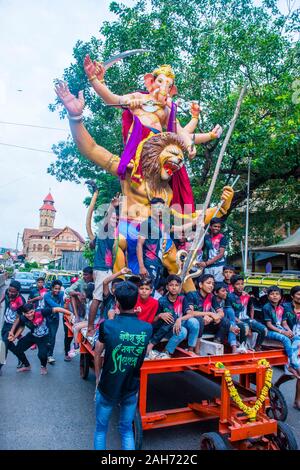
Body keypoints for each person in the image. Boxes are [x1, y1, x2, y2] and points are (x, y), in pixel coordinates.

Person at [93, 281, 152, 450]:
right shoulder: (146, 328)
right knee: (126, 430)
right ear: (136, 301)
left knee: (101, 430)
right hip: (131, 387)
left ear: (117, 302)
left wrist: (98, 379)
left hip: (107, 386)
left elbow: (98, 352)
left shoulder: (108, 325)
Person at [87, 196, 119, 337]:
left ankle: (101, 322)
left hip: (106, 268)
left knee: (106, 296)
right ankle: (89, 327)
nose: (114, 220)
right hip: (101, 268)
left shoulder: (110, 233)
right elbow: (106, 220)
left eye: (116, 219)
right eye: (113, 218)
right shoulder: (104, 230)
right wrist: (112, 206)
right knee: (97, 297)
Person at [146, 275, 200, 359]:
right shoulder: (162, 301)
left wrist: (179, 319)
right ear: (167, 287)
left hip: (179, 324)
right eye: (171, 285)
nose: (174, 288)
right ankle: (166, 351)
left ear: (179, 287)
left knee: (194, 321)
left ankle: (190, 349)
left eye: (176, 285)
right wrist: (160, 315)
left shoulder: (182, 298)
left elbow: (191, 314)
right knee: (182, 330)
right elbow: (153, 320)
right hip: (166, 329)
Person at [9, 303, 71, 375]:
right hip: (32, 335)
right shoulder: (23, 318)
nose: (29, 315)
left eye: (31, 312)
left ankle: (43, 366)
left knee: (42, 354)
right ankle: (27, 366)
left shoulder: (41, 312)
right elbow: (21, 327)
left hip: (44, 337)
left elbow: (57, 309)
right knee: (18, 349)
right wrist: (14, 336)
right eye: (27, 313)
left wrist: (70, 314)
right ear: (23, 313)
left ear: (34, 310)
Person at [184, 274, 230, 355]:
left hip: (207, 323)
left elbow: (221, 313)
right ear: (201, 285)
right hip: (192, 325)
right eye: (208, 283)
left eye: (213, 284)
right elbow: (190, 313)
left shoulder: (211, 297)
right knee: (199, 320)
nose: (211, 286)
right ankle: (196, 350)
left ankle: (216, 343)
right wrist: (210, 313)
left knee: (225, 321)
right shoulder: (192, 295)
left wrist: (212, 318)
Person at [262, 286, 300, 379]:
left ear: (280, 297)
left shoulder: (281, 307)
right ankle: (292, 363)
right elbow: (269, 325)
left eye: (277, 294)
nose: (274, 296)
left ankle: (292, 361)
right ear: (268, 296)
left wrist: (289, 331)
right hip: (270, 331)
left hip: (280, 329)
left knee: (296, 338)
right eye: (272, 294)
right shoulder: (266, 307)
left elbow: (284, 322)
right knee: (286, 339)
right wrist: (282, 332)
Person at [227, 275, 267, 352]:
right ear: (232, 285)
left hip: (246, 319)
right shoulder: (229, 297)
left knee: (264, 329)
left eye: (242, 284)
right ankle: (242, 346)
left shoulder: (247, 296)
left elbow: (251, 307)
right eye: (237, 284)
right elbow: (229, 313)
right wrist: (241, 322)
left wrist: (252, 319)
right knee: (245, 327)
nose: (240, 286)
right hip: (235, 320)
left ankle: (257, 347)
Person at [64, 266, 94, 361]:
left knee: (76, 327)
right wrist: (78, 294)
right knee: (73, 295)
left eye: (86, 275)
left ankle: (76, 347)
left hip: (92, 312)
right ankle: (77, 316)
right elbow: (68, 290)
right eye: (83, 274)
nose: (84, 276)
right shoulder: (81, 281)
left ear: (92, 275)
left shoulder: (96, 283)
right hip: (83, 308)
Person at [137, 198, 167, 289]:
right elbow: (139, 244)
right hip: (149, 262)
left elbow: (178, 227)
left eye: (161, 207)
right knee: (147, 290)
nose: (159, 209)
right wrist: (141, 266)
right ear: (151, 208)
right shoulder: (147, 223)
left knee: (153, 291)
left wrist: (195, 222)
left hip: (158, 264)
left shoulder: (161, 225)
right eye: (157, 207)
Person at [0, 280, 26, 373]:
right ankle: (23, 359)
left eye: (13, 292)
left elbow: (18, 318)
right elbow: (5, 293)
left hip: (13, 325)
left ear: (18, 291)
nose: (10, 293)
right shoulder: (8, 291)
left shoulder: (21, 301)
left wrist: (12, 331)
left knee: (4, 345)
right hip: (6, 323)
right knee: (10, 345)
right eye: (10, 291)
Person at [44, 280, 64, 364]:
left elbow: (62, 305)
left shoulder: (61, 294)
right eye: (55, 288)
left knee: (52, 337)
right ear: (52, 288)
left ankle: (50, 355)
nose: (57, 290)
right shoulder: (47, 295)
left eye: (59, 289)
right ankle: (44, 353)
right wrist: (63, 308)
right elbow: (55, 306)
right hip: (46, 318)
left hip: (55, 319)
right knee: (46, 337)